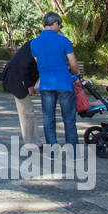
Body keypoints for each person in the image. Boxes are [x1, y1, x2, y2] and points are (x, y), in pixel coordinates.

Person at [29, 13, 78, 151]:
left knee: (48, 118)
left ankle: (52, 151)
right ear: (55, 23)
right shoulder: (63, 41)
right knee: (68, 119)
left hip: (46, 84)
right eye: (59, 25)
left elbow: (39, 63)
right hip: (64, 83)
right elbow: (73, 63)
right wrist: (76, 73)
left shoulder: (34, 43)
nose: (59, 28)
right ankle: (72, 152)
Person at [0, 38, 42, 148]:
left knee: (28, 112)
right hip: (16, 79)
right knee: (27, 112)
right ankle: (31, 142)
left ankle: (34, 141)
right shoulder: (36, 46)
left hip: (19, 77)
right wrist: (29, 86)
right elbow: (24, 67)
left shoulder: (35, 44)